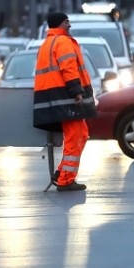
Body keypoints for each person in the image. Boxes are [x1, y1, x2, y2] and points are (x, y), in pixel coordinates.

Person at [33, 12, 98, 191]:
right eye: (67, 21)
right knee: (75, 136)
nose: (69, 25)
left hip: (54, 97)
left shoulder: (47, 44)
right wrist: (77, 91)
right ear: (60, 24)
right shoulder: (63, 42)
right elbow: (68, 68)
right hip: (66, 97)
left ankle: (61, 173)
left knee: (81, 133)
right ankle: (66, 180)